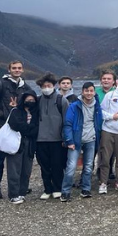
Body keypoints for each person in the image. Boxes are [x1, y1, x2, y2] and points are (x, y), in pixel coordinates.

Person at [0, 60, 32, 200]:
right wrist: (3, 114)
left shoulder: (25, 86)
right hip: (2, 126)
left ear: (22, 70)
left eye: (19, 68)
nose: (17, 70)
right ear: (9, 70)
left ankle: (20, 187)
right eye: (14, 68)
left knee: (17, 158)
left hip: (18, 128)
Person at [60, 82, 103, 201]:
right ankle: (65, 191)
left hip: (91, 139)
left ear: (94, 92)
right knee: (71, 167)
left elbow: (100, 121)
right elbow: (67, 124)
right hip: (76, 140)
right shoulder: (74, 106)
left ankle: (85, 189)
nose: (89, 93)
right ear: (82, 92)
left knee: (88, 166)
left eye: (91, 91)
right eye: (86, 91)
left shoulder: (97, 106)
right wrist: (69, 140)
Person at [35, 72, 69, 200]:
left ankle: (57, 188)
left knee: (57, 165)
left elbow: (67, 121)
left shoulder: (62, 100)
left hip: (57, 139)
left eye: (48, 85)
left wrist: (65, 138)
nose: (46, 88)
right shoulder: (37, 100)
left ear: (54, 85)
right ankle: (47, 189)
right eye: (44, 86)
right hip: (40, 139)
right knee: (44, 166)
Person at [6, 91, 39, 204]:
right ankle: (13, 194)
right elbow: (15, 124)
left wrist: (28, 129)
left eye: (32, 100)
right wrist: (29, 129)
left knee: (26, 169)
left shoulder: (36, 113)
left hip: (30, 143)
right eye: (28, 100)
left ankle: (22, 192)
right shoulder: (16, 111)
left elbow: (37, 128)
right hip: (16, 142)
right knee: (14, 169)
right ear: (23, 100)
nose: (30, 102)